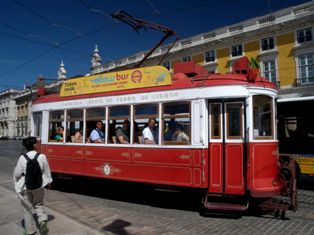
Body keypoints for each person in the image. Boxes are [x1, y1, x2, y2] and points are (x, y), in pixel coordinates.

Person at [13, 136, 53, 235]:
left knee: (27, 208)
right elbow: (47, 171)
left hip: (25, 187)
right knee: (39, 205)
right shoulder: (42, 156)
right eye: (37, 142)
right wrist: (49, 182)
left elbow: (17, 174)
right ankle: (42, 222)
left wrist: (19, 182)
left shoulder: (22, 157)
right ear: (34, 145)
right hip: (39, 185)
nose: (38, 144)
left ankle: (29, 230)